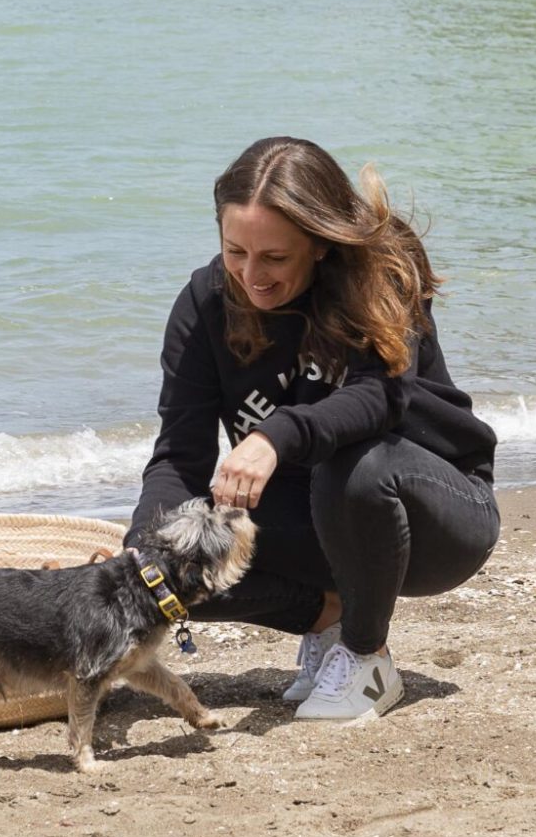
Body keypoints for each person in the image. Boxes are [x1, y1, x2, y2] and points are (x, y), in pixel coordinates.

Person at [127, 135, 499, 724]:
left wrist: (274, 435)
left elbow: (381, 399)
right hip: (314, 527)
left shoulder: (379, 280)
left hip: (433, 519)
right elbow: (178, 456)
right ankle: (325, 617)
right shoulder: (204, 304)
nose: (253, 275)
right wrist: (141, 552)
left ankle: (366, 654)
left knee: (357, 464)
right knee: (157, 567)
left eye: (275, 257)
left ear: (321, 244)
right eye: (235, 252)